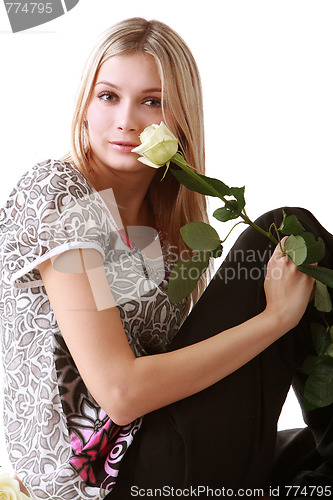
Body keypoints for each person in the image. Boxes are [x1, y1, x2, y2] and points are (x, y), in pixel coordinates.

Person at [0, 17, 332, 500]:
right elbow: (121, 393)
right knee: (286, 229)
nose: (127, 120)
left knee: (311, 456)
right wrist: (276, 319)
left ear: (180, 117)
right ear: (86, 105)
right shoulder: (59, 193)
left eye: (152, 102)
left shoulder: (173, 233)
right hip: (104, 482)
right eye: (109, 96)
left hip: (155, 456)